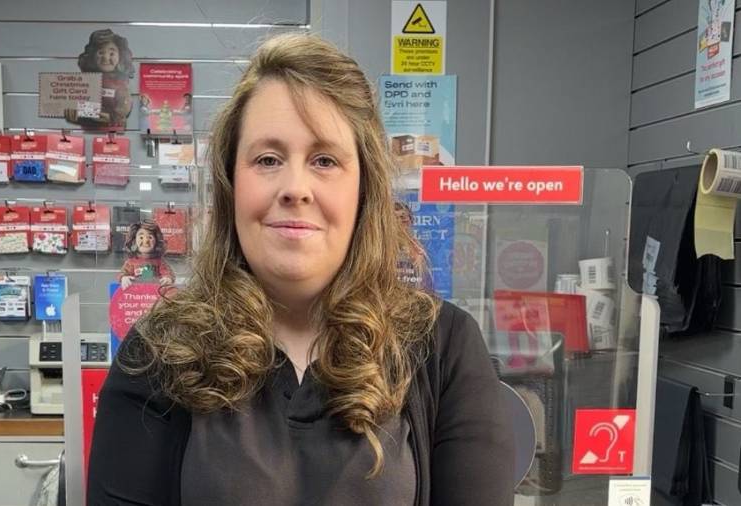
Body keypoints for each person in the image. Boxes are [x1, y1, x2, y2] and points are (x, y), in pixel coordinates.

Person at [88, 33, 514, 506]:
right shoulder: (157, 354)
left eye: (325, 160)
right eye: (268, 159)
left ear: (364, 190)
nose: (296, 187)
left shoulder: (444, 347)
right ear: (232, 186)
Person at [65, 29, 134, 129]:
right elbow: (79, 107)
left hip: (114, 134)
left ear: (121, 56)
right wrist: (73, 114)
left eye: (111, 53)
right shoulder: (86, 81)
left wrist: (112, 117)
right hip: (88, 133)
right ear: (92, 55)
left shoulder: (121, 84)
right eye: (101, 52)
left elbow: (123, 111)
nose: (105, 57)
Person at [118, 220, 175, 289]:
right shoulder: (131, 262)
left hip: (155, 293)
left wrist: (167, 279)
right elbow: (123, 273)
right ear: (134, 241)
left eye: (150, 237)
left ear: (156, 241)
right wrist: (124, 278)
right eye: (141, 237)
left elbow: (168, 273)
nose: (146, 241)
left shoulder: (159, 262)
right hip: (136, 294)